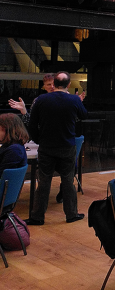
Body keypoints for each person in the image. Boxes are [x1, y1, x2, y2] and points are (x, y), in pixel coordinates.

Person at [26, 72, 87, 225]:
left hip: (46, 146)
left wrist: (38, 139)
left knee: (44, 181)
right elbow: (84, 116)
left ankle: (37, 216)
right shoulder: (73, 99)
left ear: (55, 84)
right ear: (68, 84)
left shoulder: (41, 100)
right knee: (67, 180)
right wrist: (79, 102)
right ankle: (71, 214)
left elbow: (32, 124)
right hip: (67, 146)